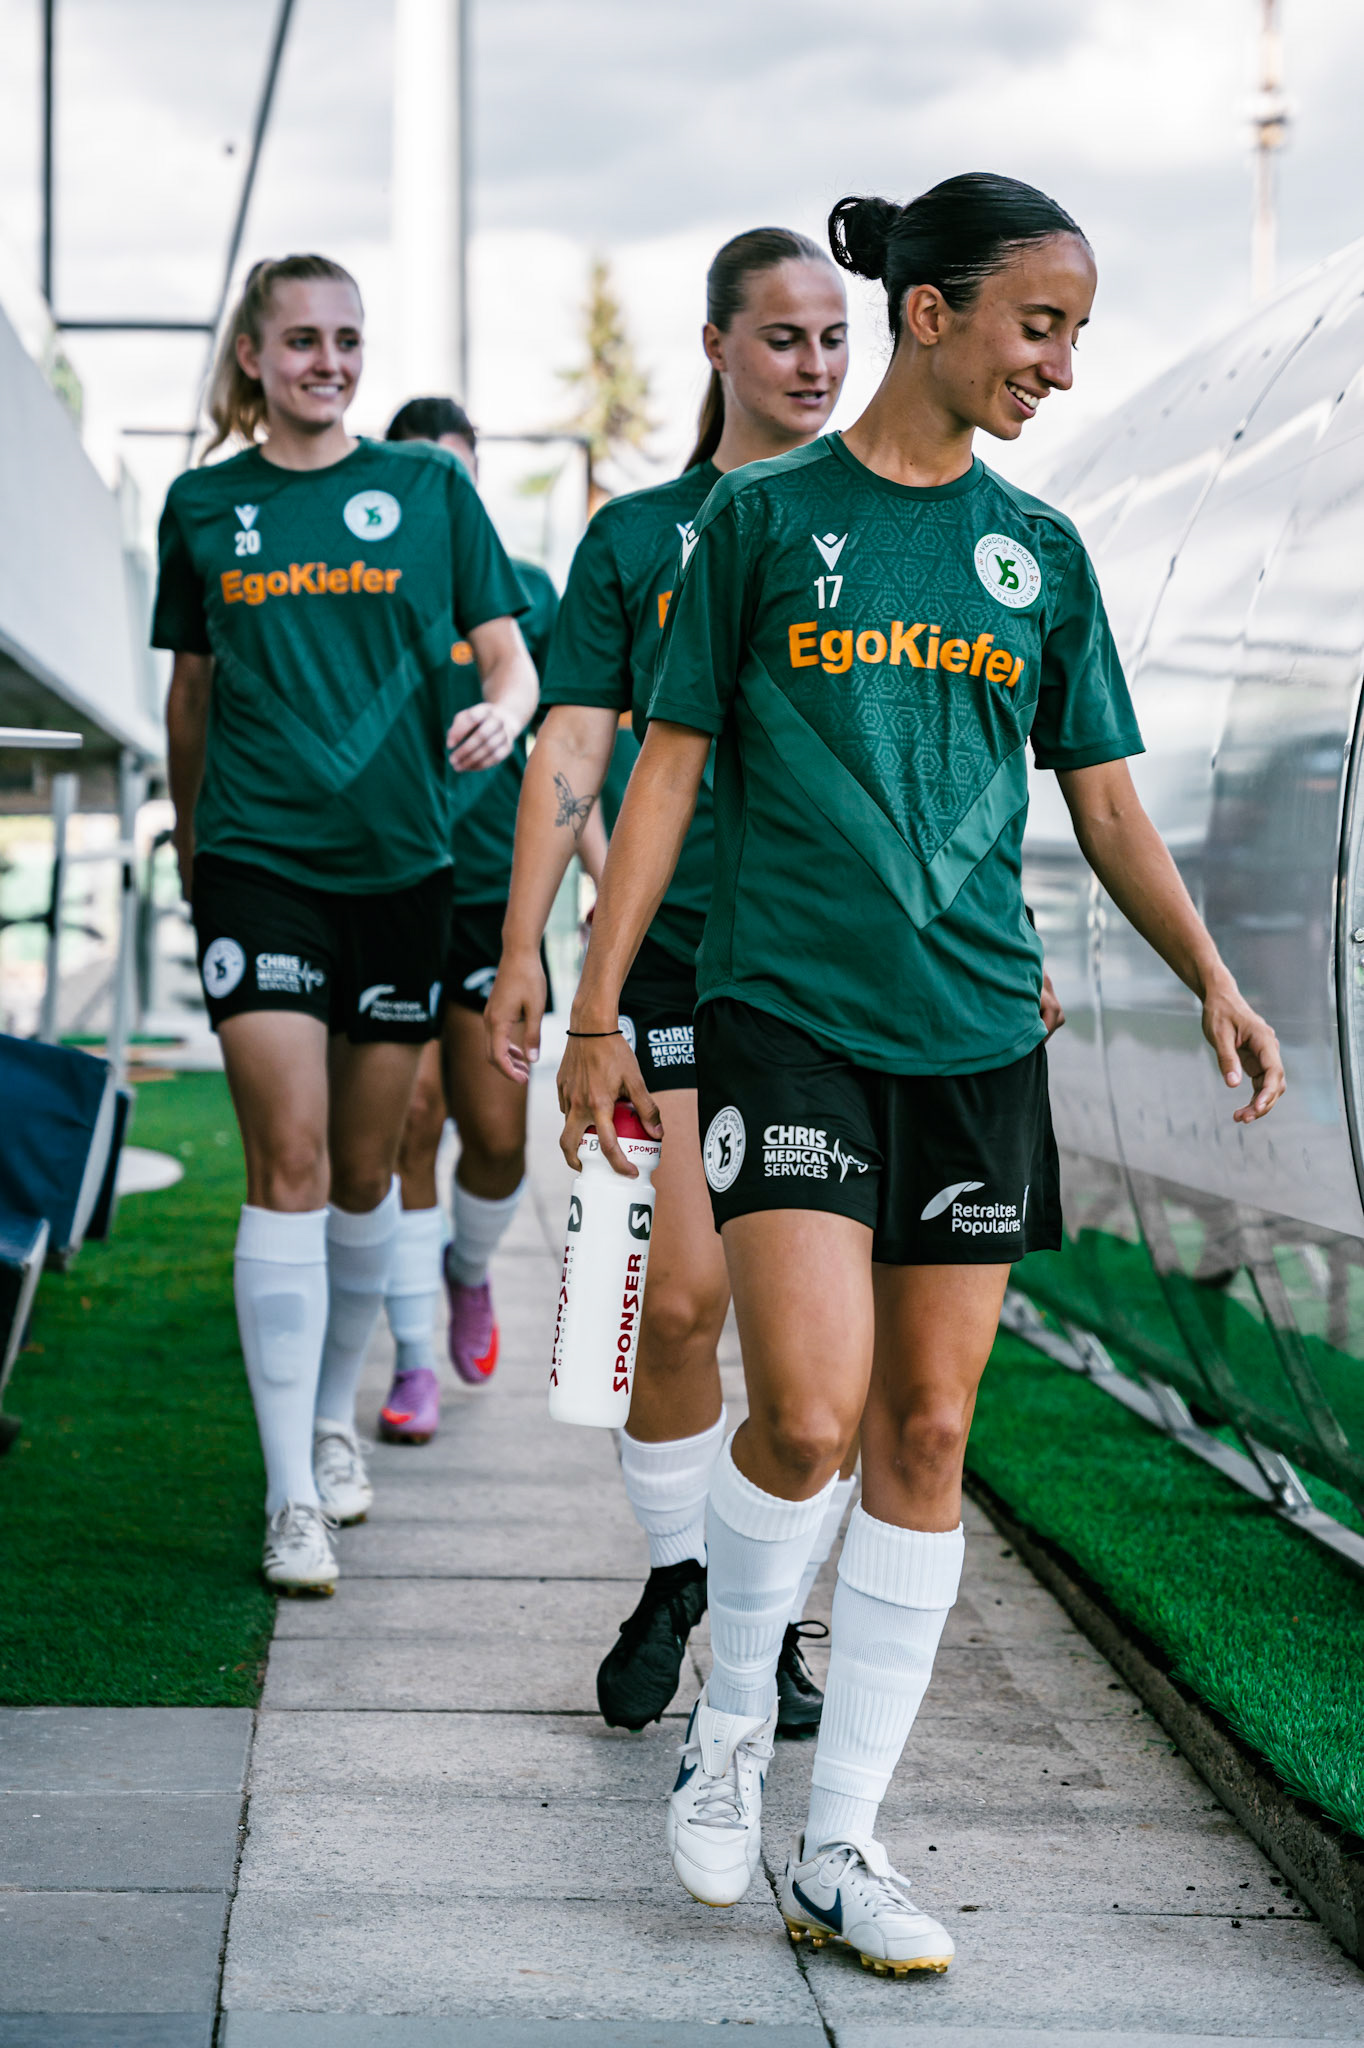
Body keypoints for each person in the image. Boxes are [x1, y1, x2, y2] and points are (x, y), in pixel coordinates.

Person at [556, 175, 1285, 1973]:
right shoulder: (754, 523)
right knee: (801, 1408)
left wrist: (1209, 976)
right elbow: (658, 774)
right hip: (786, 1016)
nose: (1055, 362)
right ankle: (725, 1741)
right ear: (931, 312)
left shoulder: (1040, 551)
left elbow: (1101, 793)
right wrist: (586, 1012)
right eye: (1034, 323)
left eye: (1074, 334)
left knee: (928, 1433)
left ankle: (841, 1842)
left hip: (974, 1036)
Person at [488, 228, 856, 1740]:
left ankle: (763, 1630)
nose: (819, 365)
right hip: (676, 959)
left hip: (833, 972)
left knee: (811, 1353)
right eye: (785, 337)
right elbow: (573, 746)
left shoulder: (879, 523)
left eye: (838, 337)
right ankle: (681, 1575)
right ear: (716, 347)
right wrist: (530, 948)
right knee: (684, 1304)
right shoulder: (640, 539)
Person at [153, 256, 536, 1594]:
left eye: (348, 341)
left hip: (403, 872)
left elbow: (508, 651)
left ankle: (330, 1422)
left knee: (369, 1180)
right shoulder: (204, 506)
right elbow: (191, 700)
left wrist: (508, 701)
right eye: (302, 340)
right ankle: (285, 1499)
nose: (329, 361)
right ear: (253, 356)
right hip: (258, 867)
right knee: (294, 1163)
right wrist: (199, 852)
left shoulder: (431, 491)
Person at [374, 397, 592, 1442]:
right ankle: (412, 1356)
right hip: (379, 891)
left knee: (498, 1137)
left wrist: (600, 887)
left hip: (492, 904)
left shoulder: (531, 598)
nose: (437, 495)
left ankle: (468, 1271)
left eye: (453, 475)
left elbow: (572, 749)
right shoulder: (363, 591)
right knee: (407, 1121)